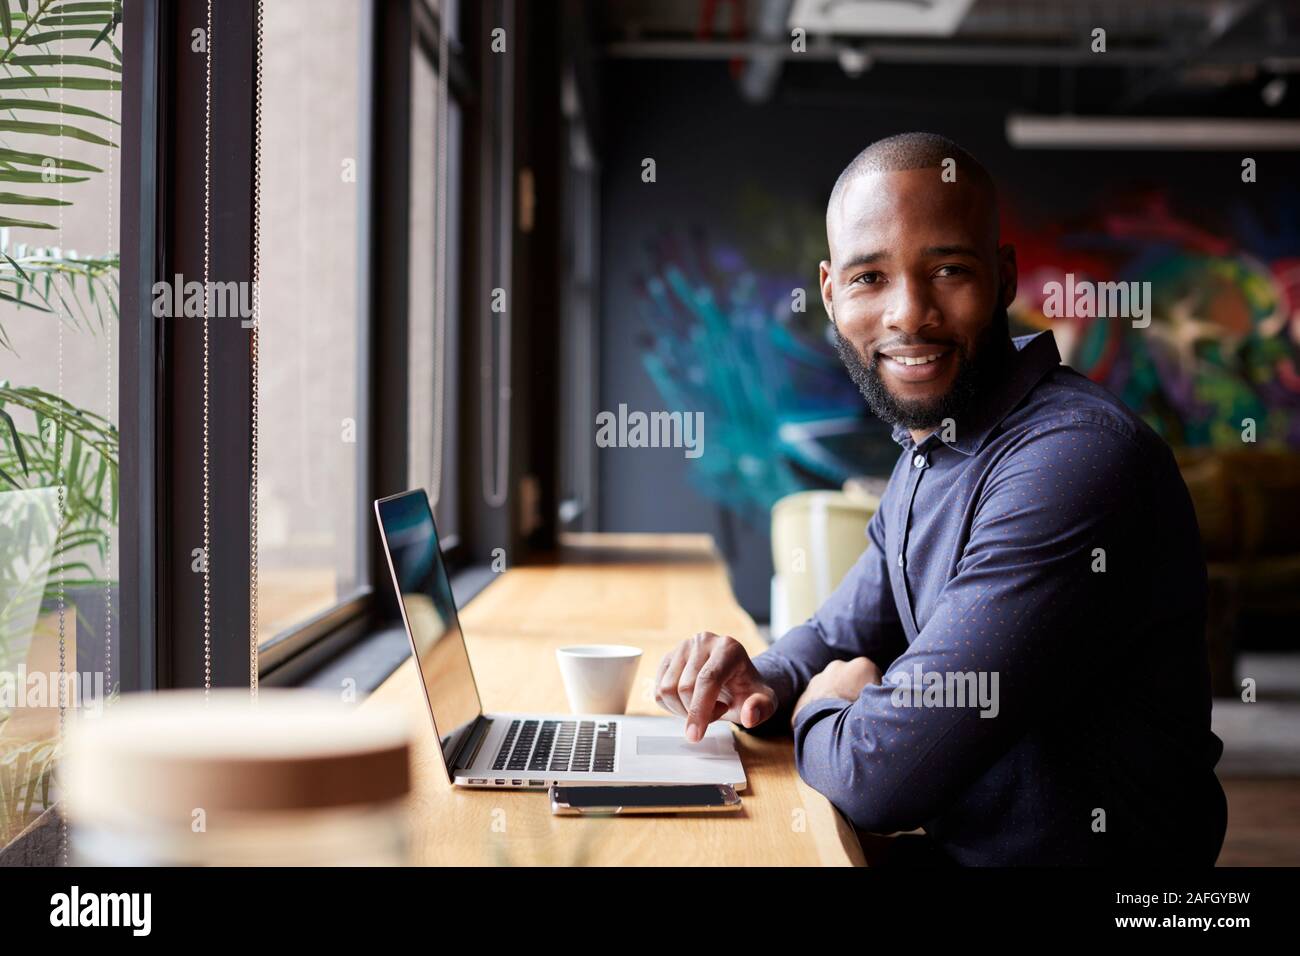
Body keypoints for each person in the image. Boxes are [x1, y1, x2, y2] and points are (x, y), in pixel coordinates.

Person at [654, 132, 1228, 866]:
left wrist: (826, 708)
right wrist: (753, 679)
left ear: (1003, 277)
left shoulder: (1074, 462)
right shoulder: (937, 445)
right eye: (870, 278)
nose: (908, 314)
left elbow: (879, 777)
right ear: (831, 293)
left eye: (948, 270)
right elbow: (842, 634)